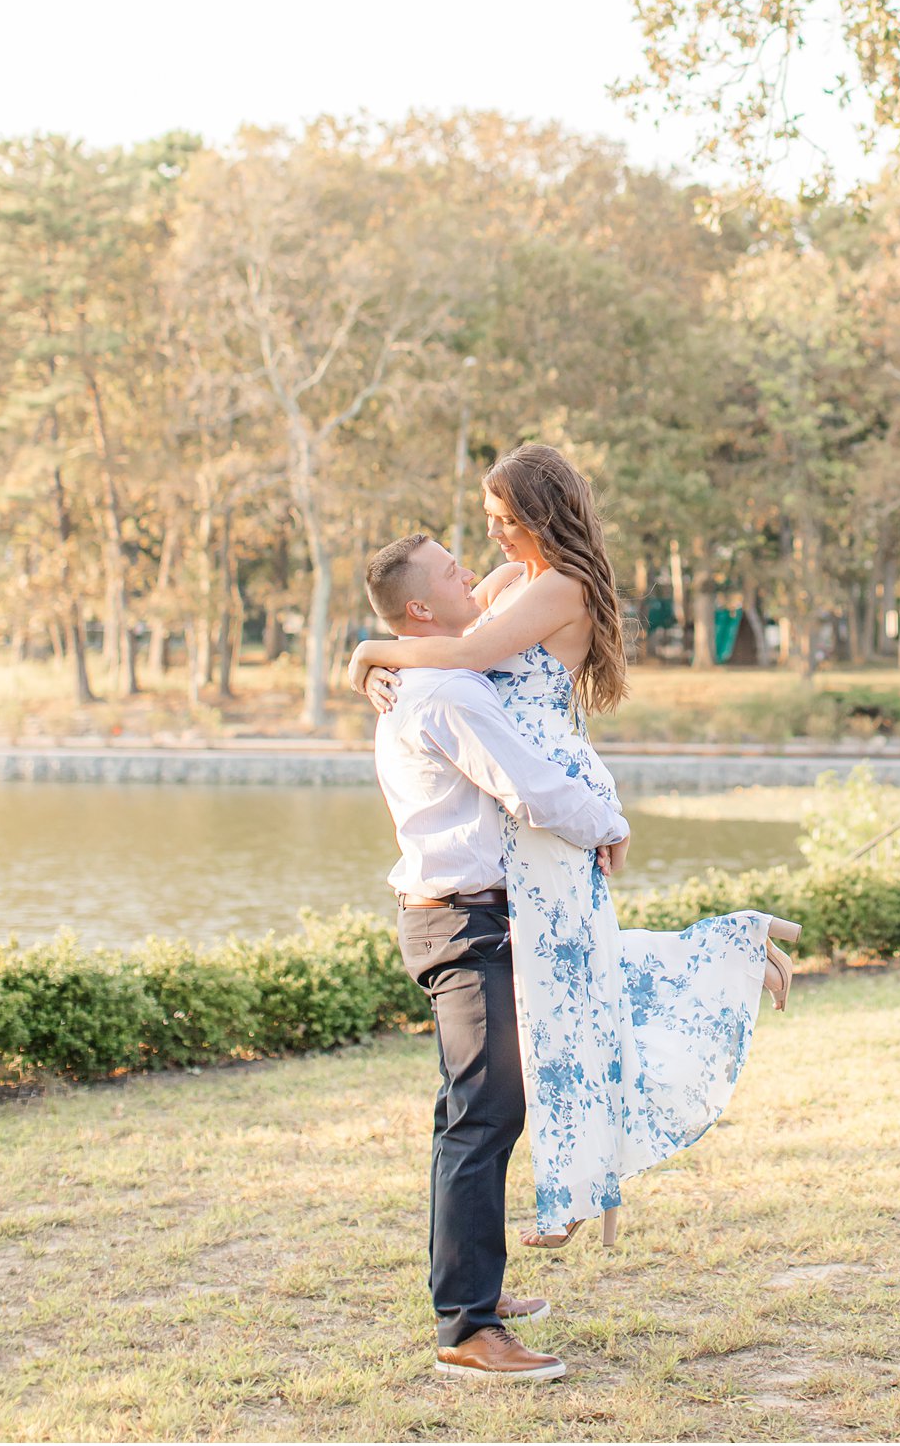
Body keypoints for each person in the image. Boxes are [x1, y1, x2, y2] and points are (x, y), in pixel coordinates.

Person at [352, 443, 800, 1265]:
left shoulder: (562, 585)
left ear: (536, 514)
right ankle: (574, 1179)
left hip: (548, 796)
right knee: (563, 989)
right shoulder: (511, 580)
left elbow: (459, 653)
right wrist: (380, 655)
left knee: (570, 990)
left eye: (498, 518)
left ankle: (576, 1180)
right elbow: (436, 625)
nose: (486, 535)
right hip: (520, 801)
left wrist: (364, 657)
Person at [364, 527, 630, 1385]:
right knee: (482, 1115)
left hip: (463, 919)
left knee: (474, 1112)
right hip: (463, 925)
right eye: (451, 570)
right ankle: (467, 1327)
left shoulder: (432, 674)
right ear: (419, 606)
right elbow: (533, 787)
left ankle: (473, 1290)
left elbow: (520, 579)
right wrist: (610, 823)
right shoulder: (445, 693)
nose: (470, 569)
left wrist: (365, 651)